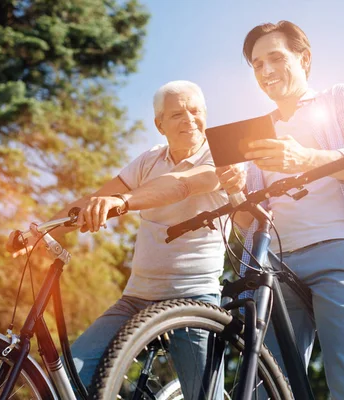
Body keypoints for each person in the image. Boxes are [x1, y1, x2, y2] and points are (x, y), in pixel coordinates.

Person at [13, 80, 246, 399]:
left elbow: (181, 184)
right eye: (177, 114)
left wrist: (122, 202)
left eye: (195, 111)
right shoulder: (149, 159)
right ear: (159, 123)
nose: (189, 119)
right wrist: (43, 230)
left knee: (205, 396)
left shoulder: (222, 155)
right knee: (69, 373)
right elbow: (95, 199)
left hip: (192, 297)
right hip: (137, 297)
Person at [220, 20, 344, 399]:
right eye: (257, 64)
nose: (266, 71)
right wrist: (235, 191)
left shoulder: (341, 98)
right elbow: (246, 220)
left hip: (340, 254)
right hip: (275, 267)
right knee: (266, 386)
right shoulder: (254, 132)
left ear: (304, 58)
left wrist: (306, 158)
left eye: (275, 58)